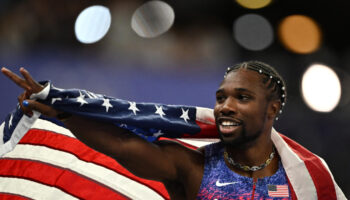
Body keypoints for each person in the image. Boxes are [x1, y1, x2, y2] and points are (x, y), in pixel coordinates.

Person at [1, 61, 346, 200]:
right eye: (221, 97)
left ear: (272, 109)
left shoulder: (304, 182)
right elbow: (122, 144)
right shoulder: (197, 167)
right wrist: (64, 112)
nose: (226, 106)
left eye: (242, 97)